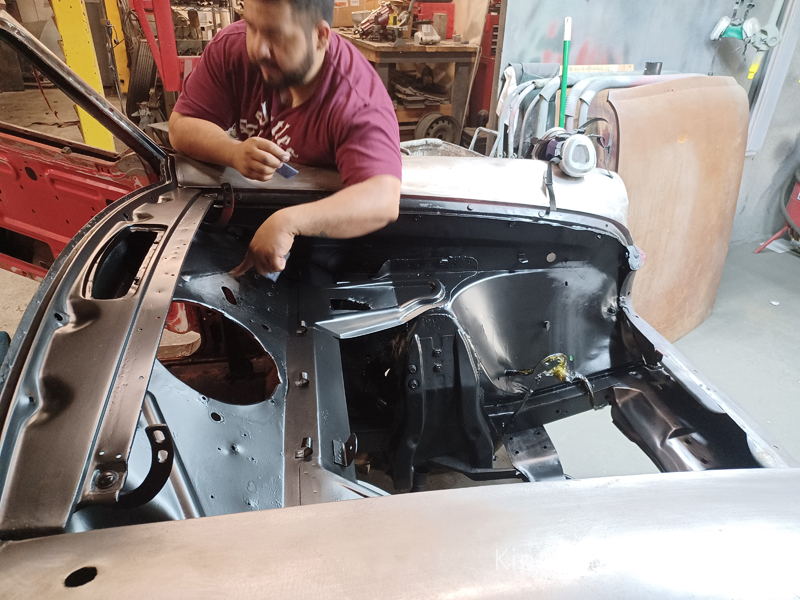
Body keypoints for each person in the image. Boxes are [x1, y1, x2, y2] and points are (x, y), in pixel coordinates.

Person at [168, 0, 402, 277]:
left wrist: (289, 222)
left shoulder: (358, 101)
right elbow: (181, 127)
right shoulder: (232, 46)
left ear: (320, 36)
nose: (258, 49)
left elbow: (382, 199)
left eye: (275, 35)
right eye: (252, 26)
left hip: (325, 242)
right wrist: (232, 152)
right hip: (248, 221)